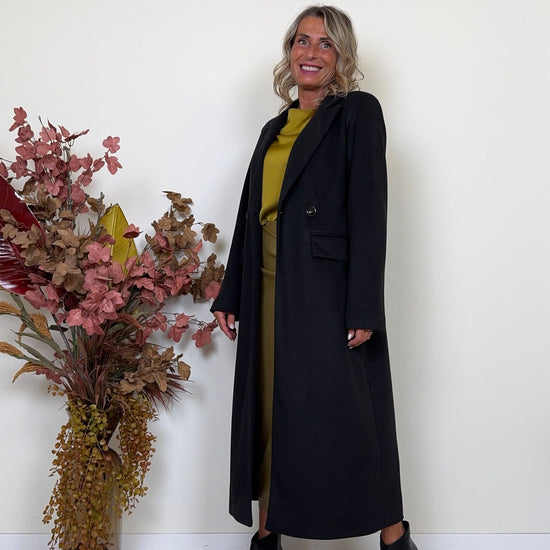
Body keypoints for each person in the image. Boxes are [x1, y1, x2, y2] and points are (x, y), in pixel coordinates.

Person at [212, 5, 418, 550]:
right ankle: (268, 533)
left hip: (324, 291)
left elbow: (370, 212)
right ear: (289, 52)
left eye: (326, 44)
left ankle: (393, 534)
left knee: (351, 411)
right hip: (266, 287)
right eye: (302, 41)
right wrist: (231, 292)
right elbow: (250, 213)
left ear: (342, 57)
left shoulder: (358, 113)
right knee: (268, 408)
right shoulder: (274, 127)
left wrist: (364, 305)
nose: (311, 52)